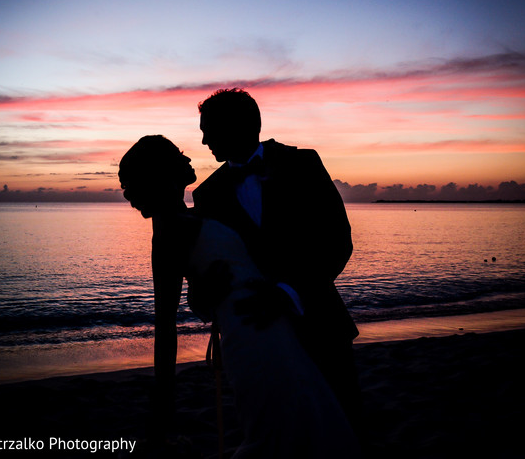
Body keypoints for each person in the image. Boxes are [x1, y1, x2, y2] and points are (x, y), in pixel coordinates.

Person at [118, 135, 360, 458]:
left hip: (290, 329)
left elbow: (333, 243)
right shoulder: (168, 234)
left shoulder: (200, 212)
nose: (194, 150)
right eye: (178, 153)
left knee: (311, 425)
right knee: (277, 434)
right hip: (249, 336)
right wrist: (163, 411)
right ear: (163, 172)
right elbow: (167, 323)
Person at [193, 88, 363, 429]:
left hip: (320, 323)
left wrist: (288, 292)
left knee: (345, 427)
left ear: (243, 125)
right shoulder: (207, 195)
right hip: (256, 339)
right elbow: (204, 279)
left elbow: (337, 241)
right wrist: (206, 294)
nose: (203, 141)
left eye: (208, 129)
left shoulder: (303, 164)